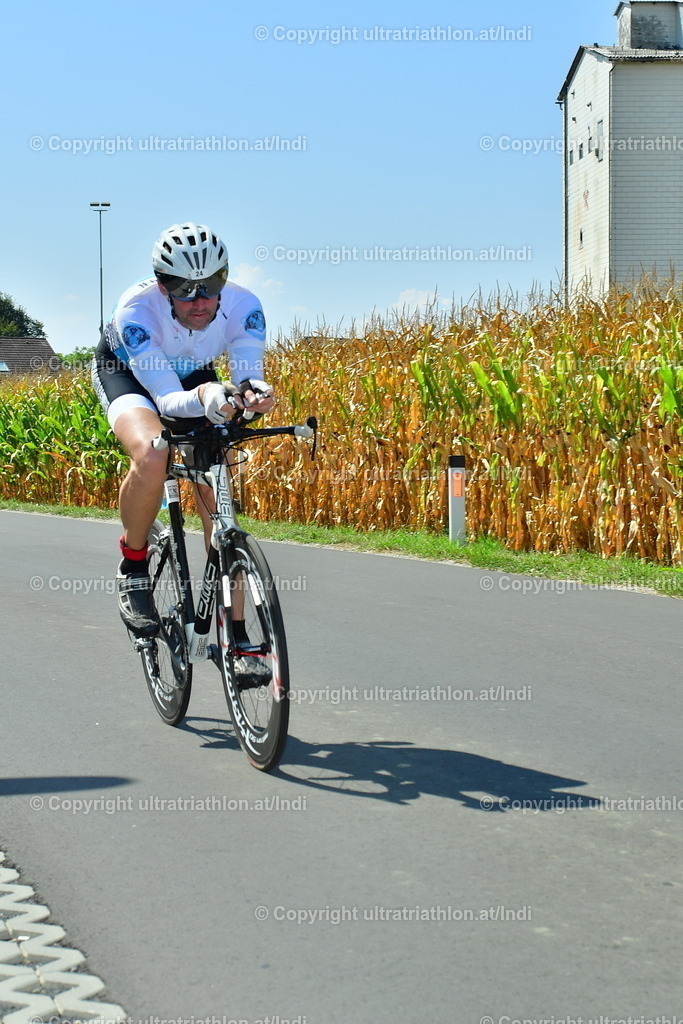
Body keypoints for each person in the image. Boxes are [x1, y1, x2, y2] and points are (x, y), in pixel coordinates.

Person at [91, 222, 275, 649]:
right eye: (183, 287)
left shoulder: (246, 306)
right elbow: (170, 400)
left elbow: (248, 376)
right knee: (153, 454)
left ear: (224, 278)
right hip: (132, 375)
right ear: (161, 284)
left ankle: (239, 638)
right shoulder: (136, 312)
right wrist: (210, 394)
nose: (199, 300)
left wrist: (253, 393)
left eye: (210, 286)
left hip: (194, 374)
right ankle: (134, 566)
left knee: (217, 477)